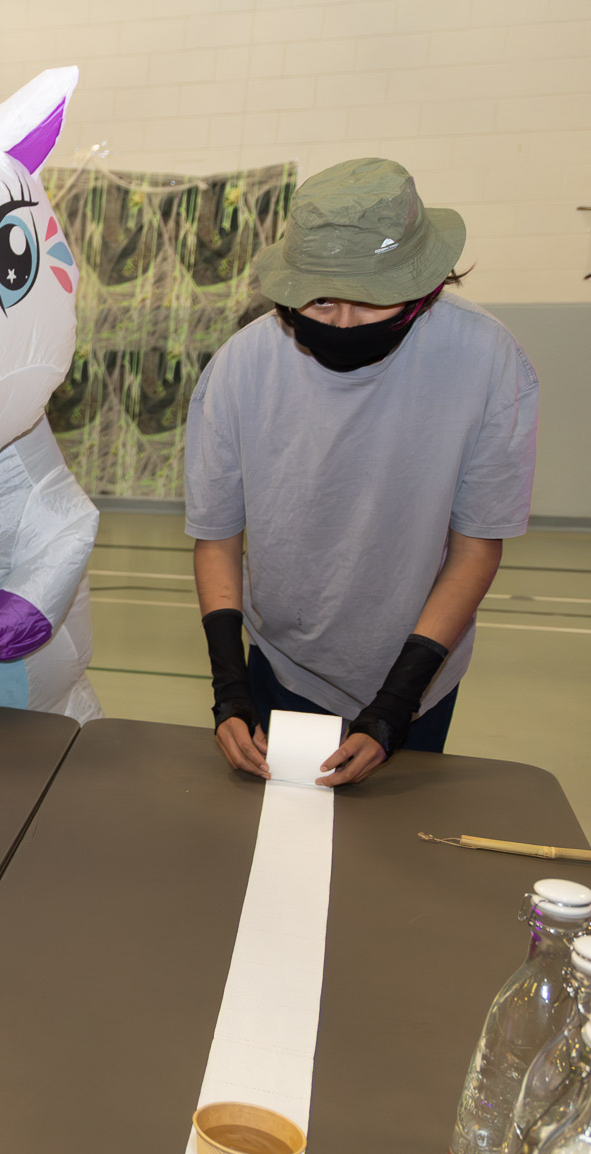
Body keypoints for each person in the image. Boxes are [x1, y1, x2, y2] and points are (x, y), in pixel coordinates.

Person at [187, 157, 538, 787]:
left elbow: (475, 546)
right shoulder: (240, 370)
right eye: (321, 300)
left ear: (424, 284)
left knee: (394, 837)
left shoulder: (489, 361)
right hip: (282, 661)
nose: (344, 323)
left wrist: (397, 702)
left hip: (421, 667)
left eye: (373, 299)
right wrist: (229, 685)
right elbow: (217, 537)